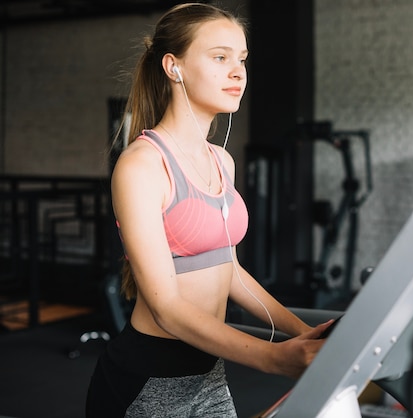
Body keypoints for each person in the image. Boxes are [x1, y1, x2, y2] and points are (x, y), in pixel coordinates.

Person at [86, 3, 332, 417]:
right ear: (173, 66)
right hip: (149, 380)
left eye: (242, 60)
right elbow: (165, 307)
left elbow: (230, 271)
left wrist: (305, 333)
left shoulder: (222, 160)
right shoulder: (143, 165)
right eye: (220, 57)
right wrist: (274, 358)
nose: (238, 72)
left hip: (210, 374)